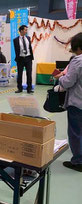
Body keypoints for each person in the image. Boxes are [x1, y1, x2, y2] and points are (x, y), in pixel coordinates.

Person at [54, 32, 82, 172]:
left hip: (77, 102)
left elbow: (68, 82)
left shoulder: (78, 61)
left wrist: (60, 79)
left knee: (75, 132)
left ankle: (78, 161)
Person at [13, 25, 34, 94]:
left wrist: (31, 57)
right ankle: (19, 88)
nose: (26, 31)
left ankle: (29, 89)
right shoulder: (15, 40)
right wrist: (18, 58)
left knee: (29, 74)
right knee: (19, 74)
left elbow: (29, 48)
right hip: (20, 59)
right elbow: (16, 50)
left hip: (28, 58)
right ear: (21, 30)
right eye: (25, 30)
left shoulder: (28, 38)